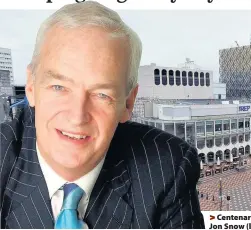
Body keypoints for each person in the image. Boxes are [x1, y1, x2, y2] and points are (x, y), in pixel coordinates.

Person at [0, 2, 204, 229]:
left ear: (128, 103)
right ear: (31, 86)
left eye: (101, 94)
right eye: (59, 87)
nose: (77, 116)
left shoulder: (167, 167)